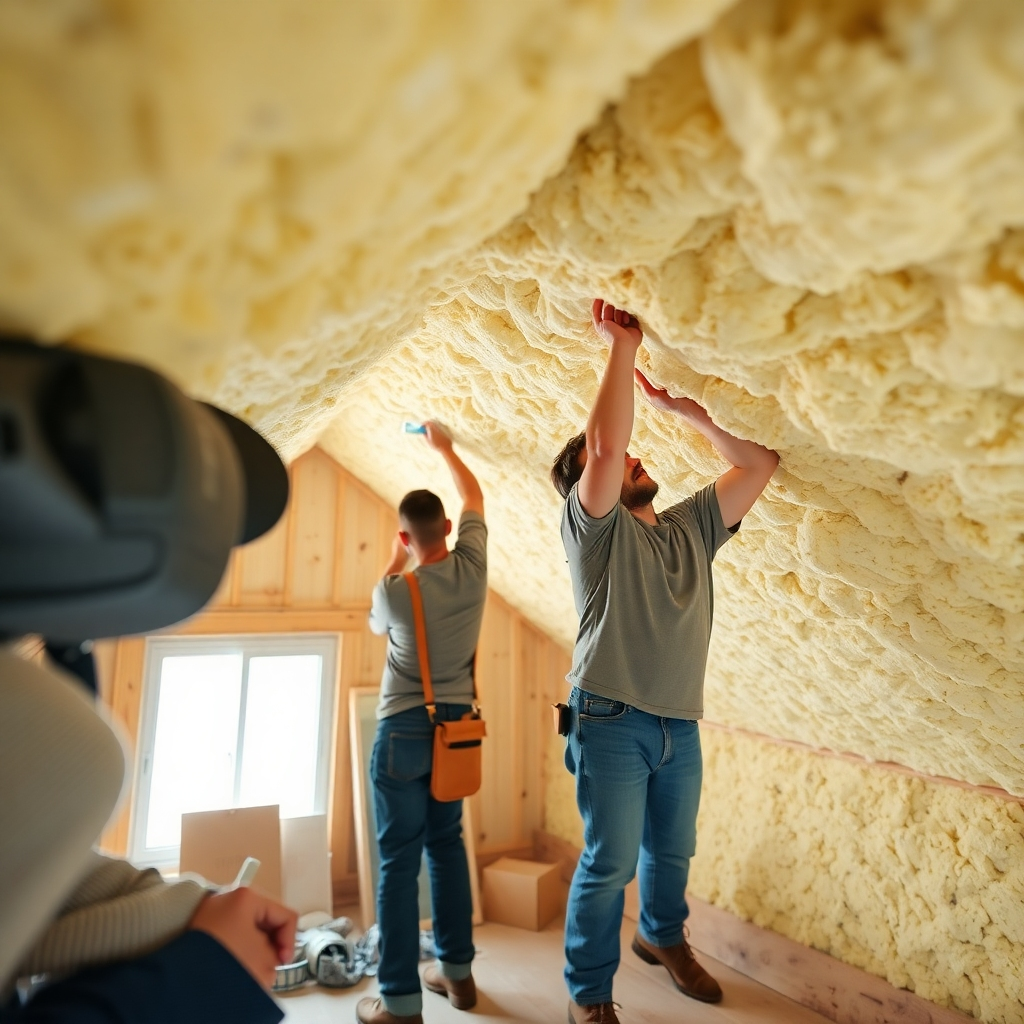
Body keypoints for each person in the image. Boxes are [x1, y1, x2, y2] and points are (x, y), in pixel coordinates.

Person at [550, 299, 779, 1024]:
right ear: (587, 488)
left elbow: (760, 463)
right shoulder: (594, 536)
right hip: (609, 719)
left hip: (680, 722)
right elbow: (608, 447)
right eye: (609, 463)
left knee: (671, 855)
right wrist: (622, 348)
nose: (631, 458)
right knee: (609, 864)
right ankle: (588, 996)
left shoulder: (689, 529)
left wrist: (687, 412)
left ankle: (662, 936)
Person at [360, 422, 487, 1024]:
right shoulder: (474, 567)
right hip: (456, 728)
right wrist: (446, 450)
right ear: (447, 530)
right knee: (447, 848)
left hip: (403, 733)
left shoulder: (396, 590)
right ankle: (458, 978)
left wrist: (395, 554)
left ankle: (400, 1002)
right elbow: (475, 500)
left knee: (397, 864)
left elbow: (374, 620)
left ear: (408, 536)